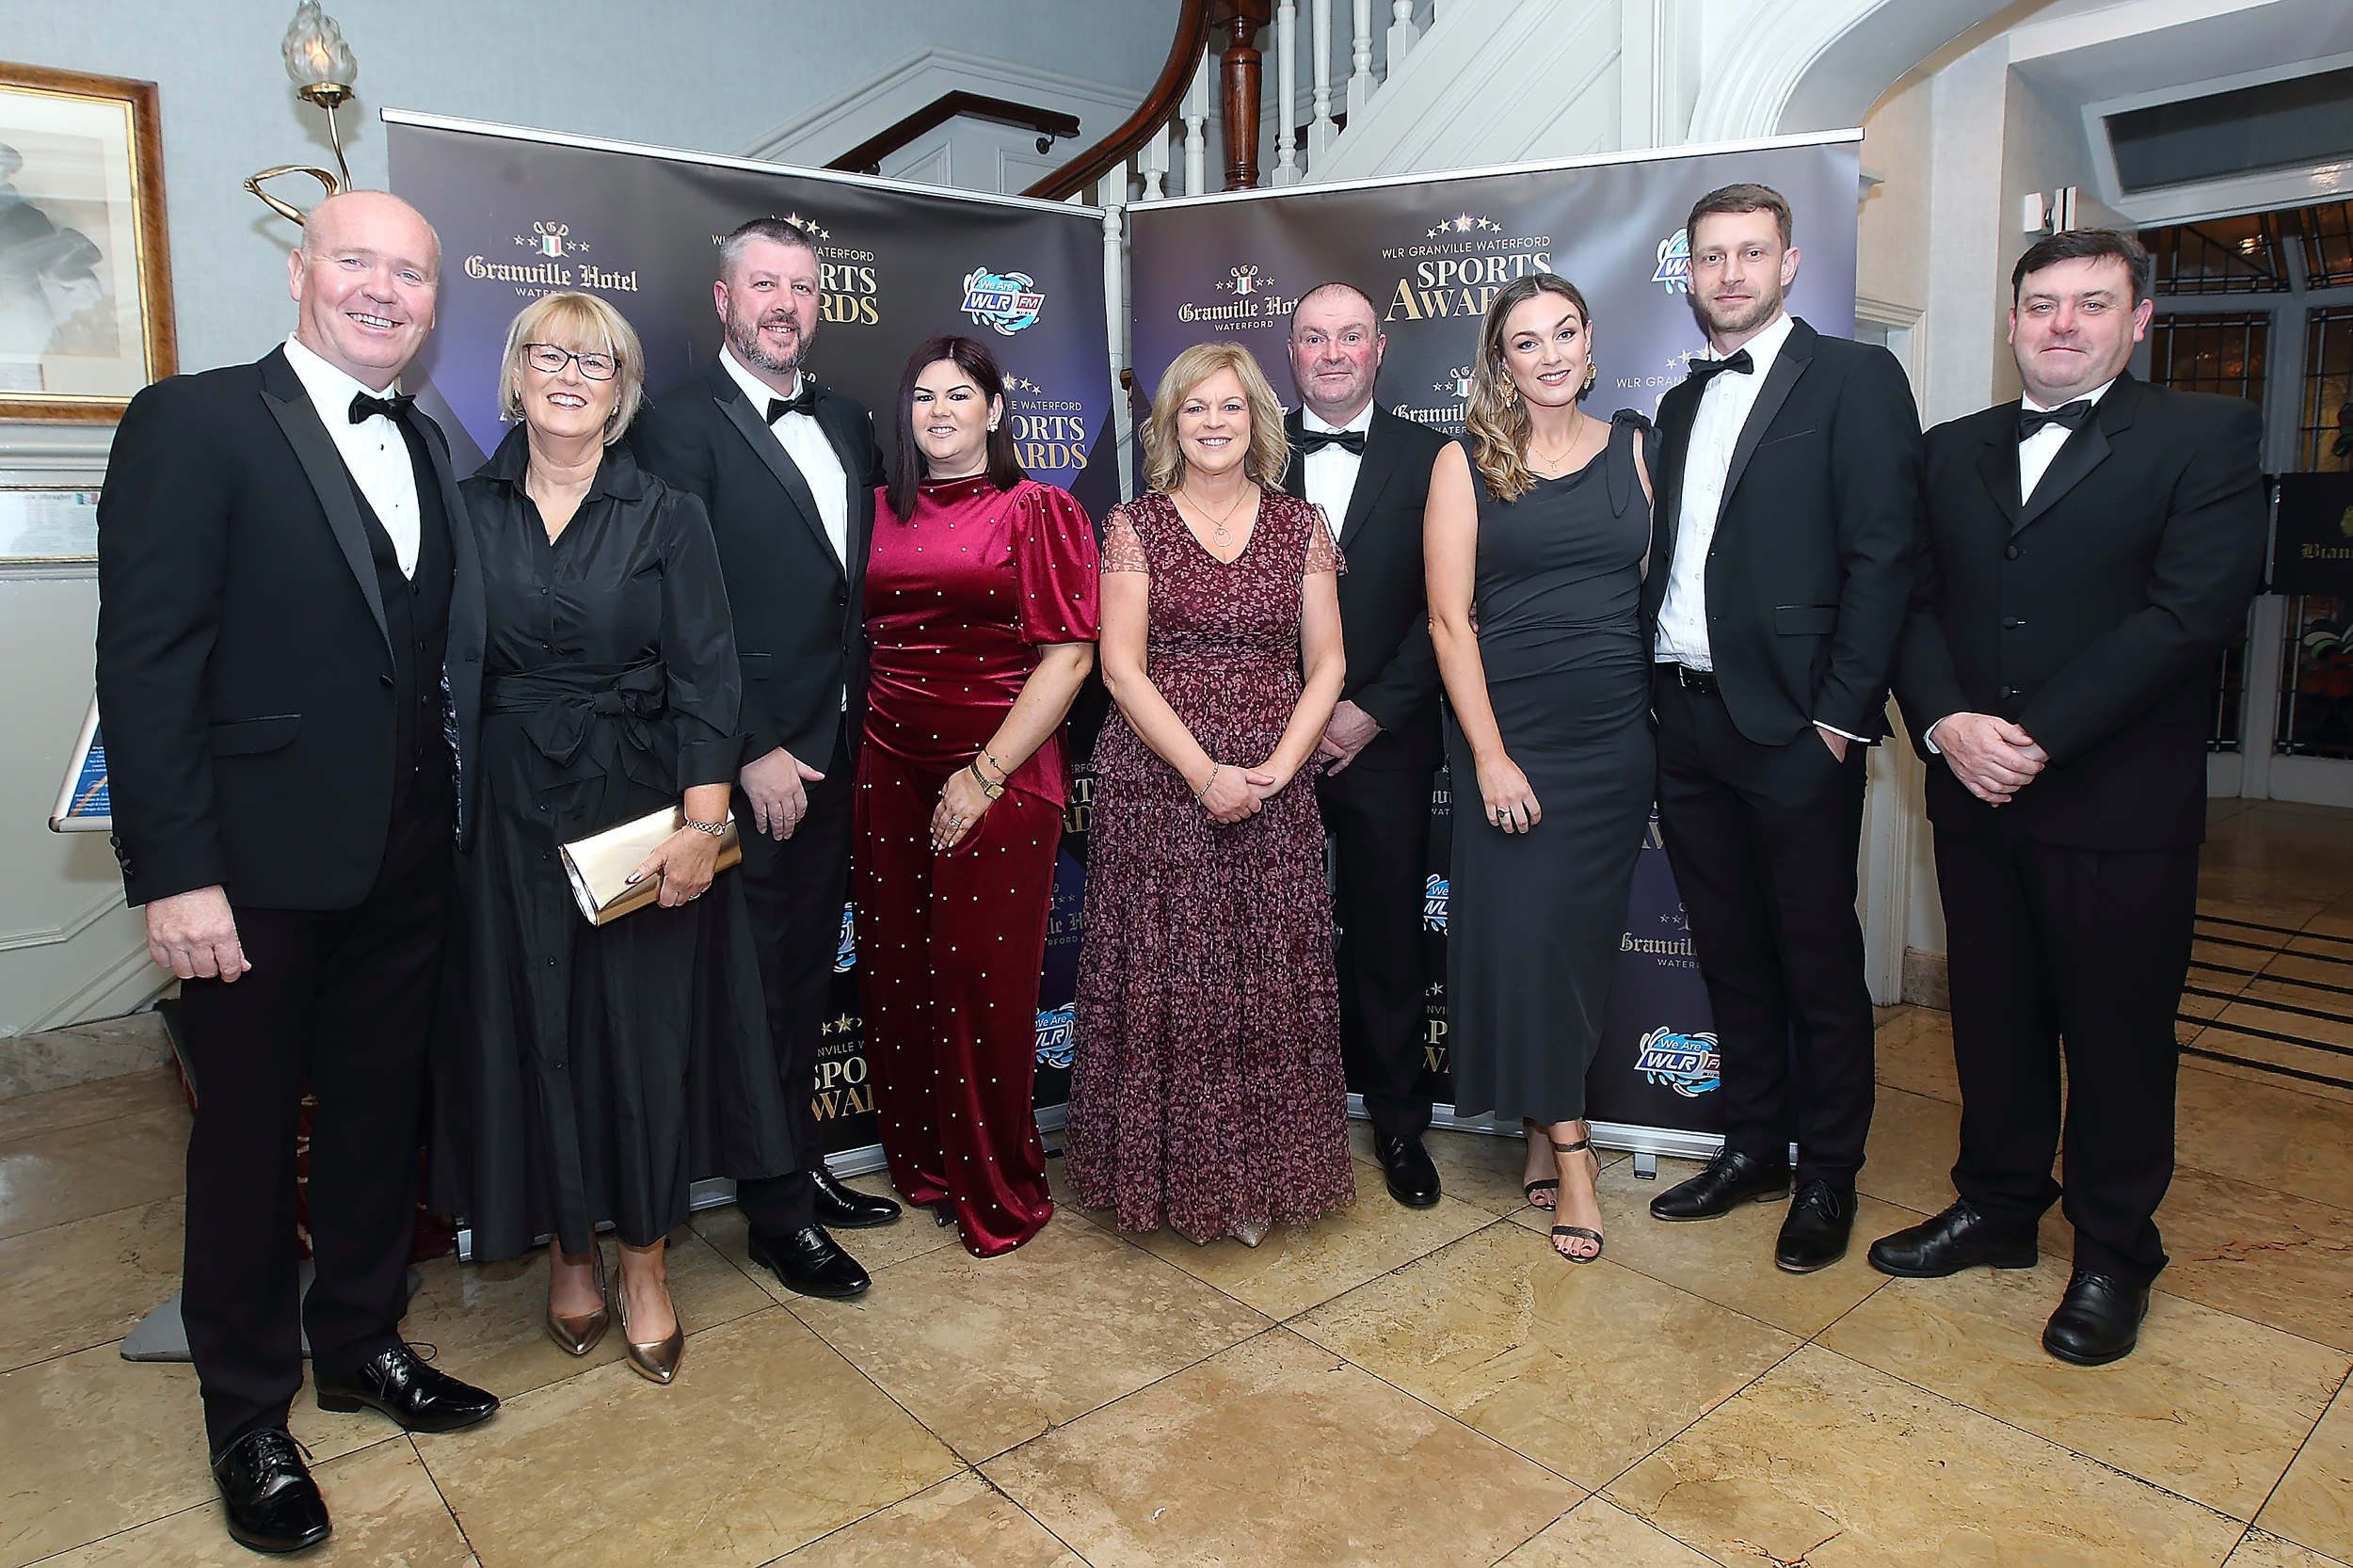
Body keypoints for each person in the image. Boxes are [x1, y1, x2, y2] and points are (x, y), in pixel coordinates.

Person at [94, 190, 499, 1556]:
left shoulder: (429, 440)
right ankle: (247, 1412)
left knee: (379, 1119)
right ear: (299, 273)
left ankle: (363, 1339)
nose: (383, 291)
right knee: (251, 1143)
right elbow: (146, 665)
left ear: (435, 303)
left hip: (406, 857)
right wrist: (175, 872)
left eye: (411, 273)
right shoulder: (193, 421)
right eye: (356, 262)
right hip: (250, 871)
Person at [1870, 230, 2265, 1366]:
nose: (2061, 323)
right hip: (1973, 793)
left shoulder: (2205, 436)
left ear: (2136, 322)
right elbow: (1910, 601)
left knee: (2116, 1035)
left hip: (2117, 803)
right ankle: (1997, 1207)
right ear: (2010, 323)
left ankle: (2114, 1251)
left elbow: (2189, 613)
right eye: (2040, 303)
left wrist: (2034, 737)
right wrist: (1945, 722)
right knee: (1991, 1020)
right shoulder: (1948, 449)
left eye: (2090, 303)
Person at [433, 292, 797, 1384]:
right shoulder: (461, 509)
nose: (569, 376)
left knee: (638, 1037)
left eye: (595, 362)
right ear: (513, 374)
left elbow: (710, 677)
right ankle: (567, 1250)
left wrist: (703, 825)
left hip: (637, 803)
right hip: (505, 814)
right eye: (548, 354)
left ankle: (644, 1259)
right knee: (532, 1029)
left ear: (622, 390)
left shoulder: (667, 512)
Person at [1641, 183, 1920, 1273]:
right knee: (1729, 953)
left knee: (1816, 960)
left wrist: (1838, 720)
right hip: (1685, 720)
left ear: (1788, 264)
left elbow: (1884, 556)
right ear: (1690, 272)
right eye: (1710, 256)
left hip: (1797, 729)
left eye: (1749, 253)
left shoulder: (1854, 378)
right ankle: (1753, 1145)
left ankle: (1829, 1171)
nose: (1729, 274)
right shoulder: (1678, 403)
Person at [632, 216, 899, 1301]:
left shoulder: (847, 420)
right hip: (750, 764)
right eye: (764, 285)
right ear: (724, 299)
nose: (785, 304)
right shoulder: (672, 424)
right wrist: (751, 749)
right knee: (750, 995)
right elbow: (679, 609)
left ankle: (796, 1163)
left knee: (797, 983)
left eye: (802, 287)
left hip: (842, 749)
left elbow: (852, 590)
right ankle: (776, 1213)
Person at [1066, 343, 1354, 1245]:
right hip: (1160, 783)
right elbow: (1120, 668)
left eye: (1230, 406)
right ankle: (1173, 1183)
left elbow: (1328, 662)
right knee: (1173, 976)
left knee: (1267, 976)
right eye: (1195, 408)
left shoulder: (1302, 526)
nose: (1214, 422)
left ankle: (1263, 1179)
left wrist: (1280, 768)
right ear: (1170, 425)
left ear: (1257, 418)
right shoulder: (1134, 526)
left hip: (1275, 780)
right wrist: (1205, 774)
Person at [1426, 274, 1657, 1262]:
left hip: (1614, 739)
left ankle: (1537, 1120)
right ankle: (1575, 1155)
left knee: (1576, 950)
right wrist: (1488, 755)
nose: (1550, 354)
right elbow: (1449, 622)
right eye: (1527, 341)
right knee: (1525, 944)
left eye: (1565, 333)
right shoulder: (1464, 461)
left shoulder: (1638, 449)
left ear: (1590, 343)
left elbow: (1658, 585)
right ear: (1502, 362)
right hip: (1511, 736)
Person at [856, 335, 1099, 1256]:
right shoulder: (876, 509)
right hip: (888, 763)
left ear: (995, 410)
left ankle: (998, 1189)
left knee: (979, 986)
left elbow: (1069, 657)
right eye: (923, 396)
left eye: (959, 394)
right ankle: (927, 1167)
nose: (940, 411)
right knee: (900, 976)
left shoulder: (1036, 508)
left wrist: (984, 772)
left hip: (1001, 769)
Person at [1277, 282, 1450, 1210]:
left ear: (1380, 348)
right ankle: (1278, 1121)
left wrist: (1371, 710)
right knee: (1270, 939)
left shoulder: (1435, 457)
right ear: (1292, 352)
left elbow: (1450, 606)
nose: (1333, 353)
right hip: (1268, 744)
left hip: (1386, 739)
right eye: (1315, 337)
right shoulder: (1244, 448)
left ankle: (1398, 1124)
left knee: (1387, 937)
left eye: (1350, 336)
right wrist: (1294, 720)